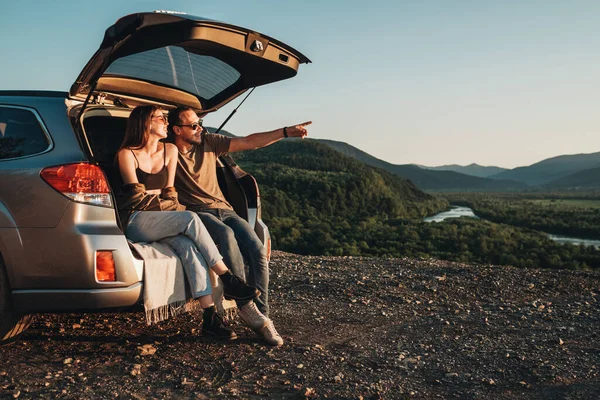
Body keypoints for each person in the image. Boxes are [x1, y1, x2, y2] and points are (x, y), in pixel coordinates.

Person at [168, 106, 311, 347]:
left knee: (257, 250)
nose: (199, 128)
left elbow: (249, 141)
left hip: (225, 208)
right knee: (226, 235)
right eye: (193, 125)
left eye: (199, 122)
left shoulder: (209, 141)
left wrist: (285, 132)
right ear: (176, 130)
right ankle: (244, 304)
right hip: (198, 211)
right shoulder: (167, 151)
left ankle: (261, 313)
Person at [116, 105, 260, 340]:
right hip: (136, 220)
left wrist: (166, 204)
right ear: (145, 123)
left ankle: (210, 318)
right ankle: (227, 278)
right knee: (190, 217)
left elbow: (170, 194)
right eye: (160, 118)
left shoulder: (169, 150)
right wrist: (168, 206)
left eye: (165, 118)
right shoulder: (127, 154)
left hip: (162, 219)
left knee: (190, 249)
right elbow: (136, 199)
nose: (165, 122)